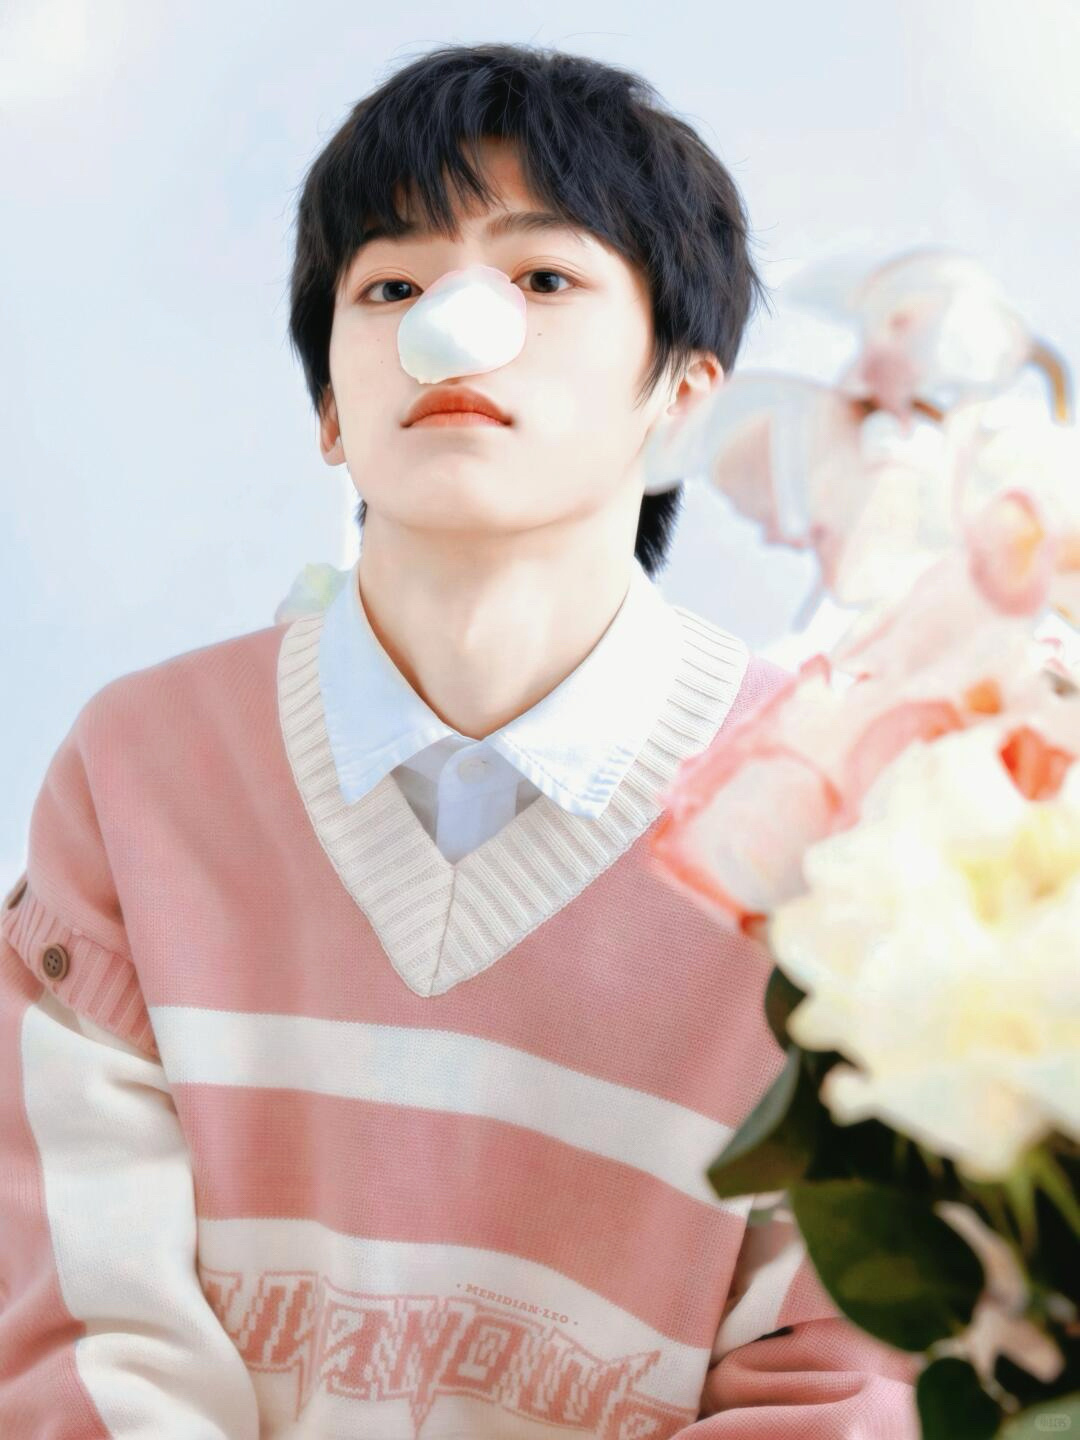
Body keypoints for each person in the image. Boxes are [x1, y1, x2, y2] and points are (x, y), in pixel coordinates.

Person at [0, 41, 922, 1437]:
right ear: (330, 409)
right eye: (392, 287)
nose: (457, 324)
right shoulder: (137, 774)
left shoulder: (845, 825)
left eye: (543, 278)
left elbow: (841, 1387)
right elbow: (79, 1324)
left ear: (686, 395)